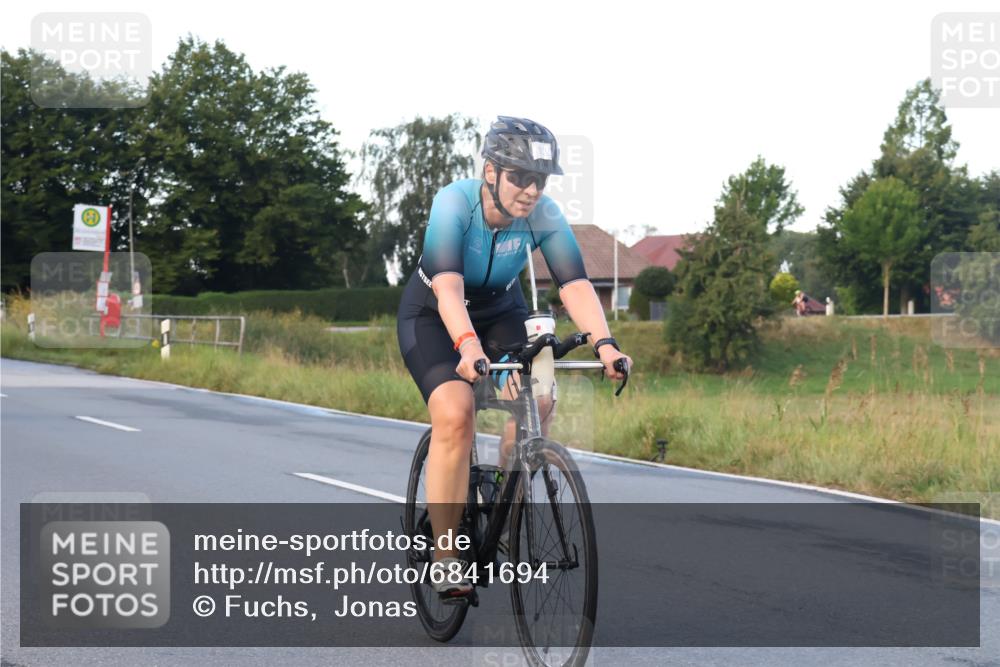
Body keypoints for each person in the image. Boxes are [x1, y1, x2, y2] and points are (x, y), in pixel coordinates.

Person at [396, 116, 632, 598]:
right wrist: (467, 346)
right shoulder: (453, 204)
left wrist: (605, 343)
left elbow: (574, 284)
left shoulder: (542, 215)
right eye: (520, 177)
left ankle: (505, 499)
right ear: (490, 172)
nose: (530, 191)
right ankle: (446, 554)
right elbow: (447, 286)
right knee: (456, 413)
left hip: (502, 310)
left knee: (539, 399)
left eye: (539, 180)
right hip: (435, 313)